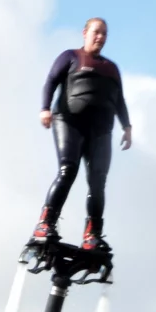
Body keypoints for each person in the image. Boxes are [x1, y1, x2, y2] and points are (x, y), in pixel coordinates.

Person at [30, 16, 132, 255]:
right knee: (68, 170)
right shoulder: (71, 57)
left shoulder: (111, 68)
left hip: (100, 131)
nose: (100, 37)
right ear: (85, 32)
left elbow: (119, 99)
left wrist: (127, 127)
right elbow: (51, 81)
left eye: (104, 34)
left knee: (98, 182)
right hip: (69, 121)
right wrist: (44, 108)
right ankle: (45, 223)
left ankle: (92, 234)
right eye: (96, 32)